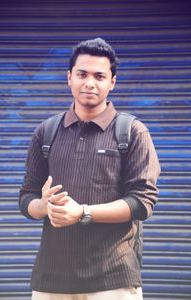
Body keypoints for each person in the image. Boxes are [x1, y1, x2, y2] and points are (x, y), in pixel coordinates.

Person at [19, 37, 161, 300]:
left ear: (112, 83)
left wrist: (82, 213)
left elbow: (143, 202)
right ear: (69, 77)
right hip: (51, 282)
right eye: (82, 74)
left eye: (99, 76)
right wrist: (44, 207)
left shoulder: (132, 132)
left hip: (113, 282)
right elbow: (26, 196)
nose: (90, 83)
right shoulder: (46, 132)